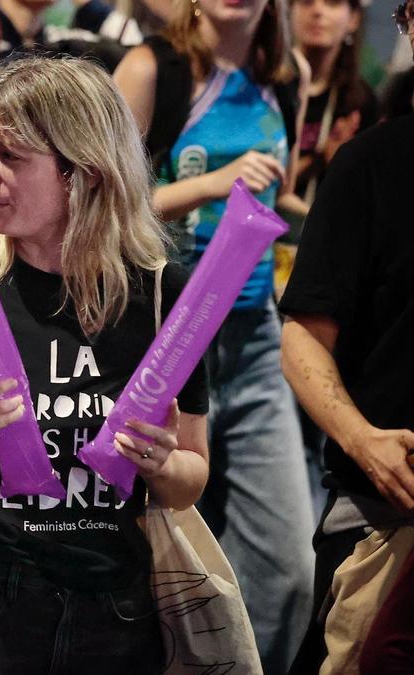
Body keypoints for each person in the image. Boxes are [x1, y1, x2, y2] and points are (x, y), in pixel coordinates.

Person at [0, 55, 210, 673]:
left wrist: (163, 462)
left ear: (82, 172)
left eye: (10, 156)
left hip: (114, 615)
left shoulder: (163, 295)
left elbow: (191, 481)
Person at [114, 0, 315, 668]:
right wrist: (211, 185)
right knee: (152, 563)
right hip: (160, 337)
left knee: (289, 568)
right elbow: (100, 195)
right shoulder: (151, 70)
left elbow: (272, 195)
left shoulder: (289, 76)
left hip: (255, 337)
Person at [279, 4, 414, 671]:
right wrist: (366, 442)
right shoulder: (370, 165)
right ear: (408, 25)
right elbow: (302, 338)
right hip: (385, 518)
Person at [290, 0, 377, 201]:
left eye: (332, 2)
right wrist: (319, 159)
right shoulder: (267, 83)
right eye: (306, 2)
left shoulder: (360, 102)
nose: (318, 11)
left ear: (354, 18)